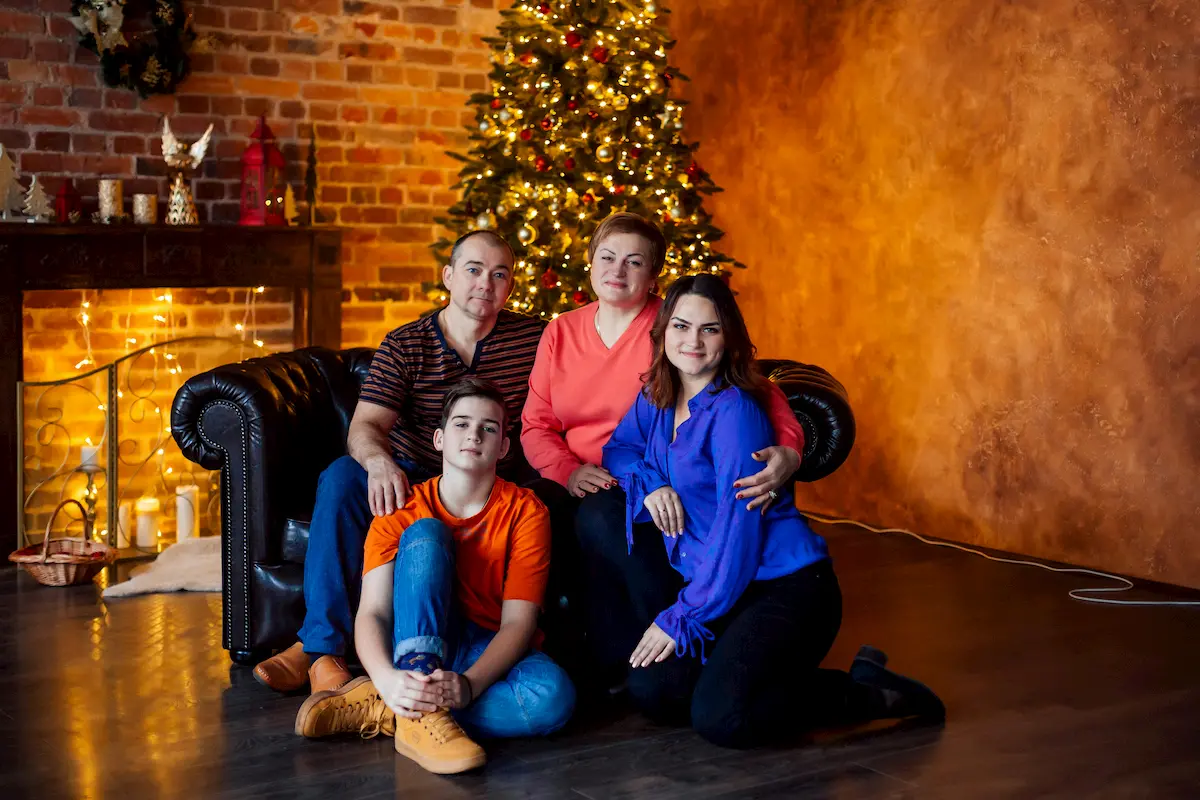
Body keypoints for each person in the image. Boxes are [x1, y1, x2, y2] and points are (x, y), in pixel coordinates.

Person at [581, 274, 944, 749]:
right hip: (727, 587)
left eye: (709, 329)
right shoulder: (659, 393)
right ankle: (748, 673)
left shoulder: (735, 413)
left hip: (785, 587)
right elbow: (620, 448)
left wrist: (681, 616)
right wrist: (652, 484)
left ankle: (866, 692)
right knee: (654, 692)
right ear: (663, 331)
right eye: (682, 327)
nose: (692, 341)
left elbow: (738, 538)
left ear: (729, 337)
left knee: (721, 719)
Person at [253, 230, 547, 694]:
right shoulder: (408, 343)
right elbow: (365, 426)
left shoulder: (534, 339)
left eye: (499, 274)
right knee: (344, 477)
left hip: (488, 483)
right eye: (472, 270)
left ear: (510, 286)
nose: (484, 284)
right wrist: (378, 463)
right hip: (412, 477)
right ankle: (321, 649)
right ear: (448, 276)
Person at [293, 378, 575, 774]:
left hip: (483, 645)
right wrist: (388, 675)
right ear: (439, 439)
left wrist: (470, 685)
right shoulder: (401, 507)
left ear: (504, 446)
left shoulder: (527, 512)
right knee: (427, 533)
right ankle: (412, 699)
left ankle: (393, 709)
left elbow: (519, 622)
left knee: (552, 698)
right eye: (461, 424)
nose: (474, 434)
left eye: (489, 428)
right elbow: (372, 612)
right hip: (413, 639)